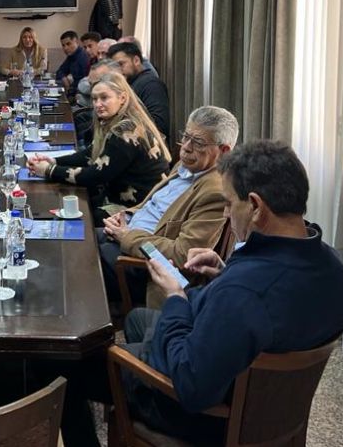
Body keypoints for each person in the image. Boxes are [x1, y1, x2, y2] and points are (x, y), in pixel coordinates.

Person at [59, 140, 343, 446]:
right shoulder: (333, 268)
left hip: (210, 415)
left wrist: (175, 296)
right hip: (270, 404)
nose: (226, 212)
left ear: (255, 206)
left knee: (66, 368)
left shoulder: (243, 292)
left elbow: (191, 386)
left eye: (229, 203)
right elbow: (269, 311)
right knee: (137, 319)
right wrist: (224, 273)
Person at [97, 106, 238, 306]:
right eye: (186, 136)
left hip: (146, 266)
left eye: (198, 142)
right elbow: (155, 204)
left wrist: (128, 236)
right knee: (79, 236)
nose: (186, 147)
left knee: (84, 260)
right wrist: (126, 216)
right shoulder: (188, 164)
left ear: (224, 151)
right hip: (129, 235)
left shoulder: (215, 192)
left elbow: (182, 254)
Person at [27, 72, 171, 223]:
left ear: (122, 98)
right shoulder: (118, 121)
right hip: (120, 198)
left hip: (139, 210)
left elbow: (95, 176)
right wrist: (53, 161)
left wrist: (49, 170)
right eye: (94, 99)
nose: (97, 104)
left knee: (75, 219)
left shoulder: (125, 131)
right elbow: (90, 154)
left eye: (104, 98)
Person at [109, 41, 169, 137]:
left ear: (136, 60)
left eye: (121, 64)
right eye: (115, 67)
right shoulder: (131, 83)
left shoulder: (151, 84)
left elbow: (159, 124)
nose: (118, 70)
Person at [55, 30, 91, 98]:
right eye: (63, 45)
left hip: (82, 96)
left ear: (77, 42)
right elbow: (60, 71)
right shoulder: (71, 56)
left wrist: (70, 91)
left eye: (68, 44)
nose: (65, 48)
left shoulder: (83, 57)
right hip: (74, 92)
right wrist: (64, 79)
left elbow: (82, 84)